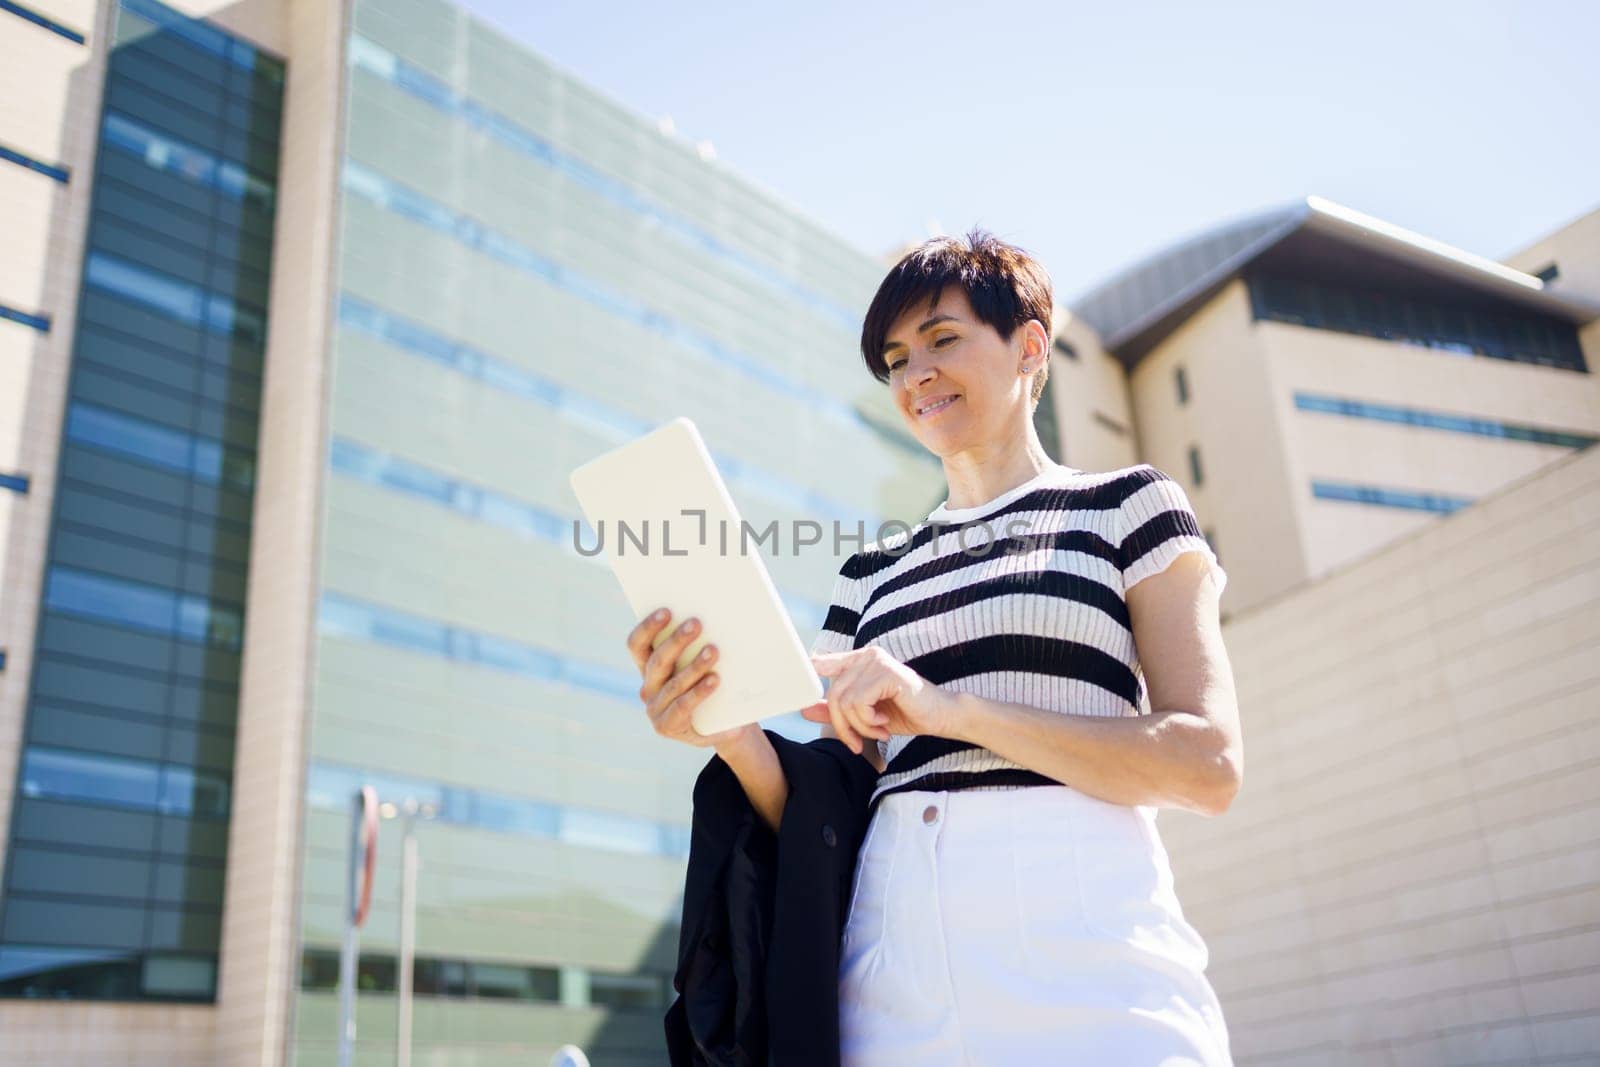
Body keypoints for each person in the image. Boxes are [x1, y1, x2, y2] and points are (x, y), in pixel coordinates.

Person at [629, 229, 1241, 1065]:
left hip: (1089, 953)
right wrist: (731, 735)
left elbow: (1206, 764)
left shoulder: (1126, 507)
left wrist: (946, 707)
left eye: (942, 339)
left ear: (1031, 345)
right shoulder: (871, 571)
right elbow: (834, 808)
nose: (915, 374)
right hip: (895, 967)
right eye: (895, 357)